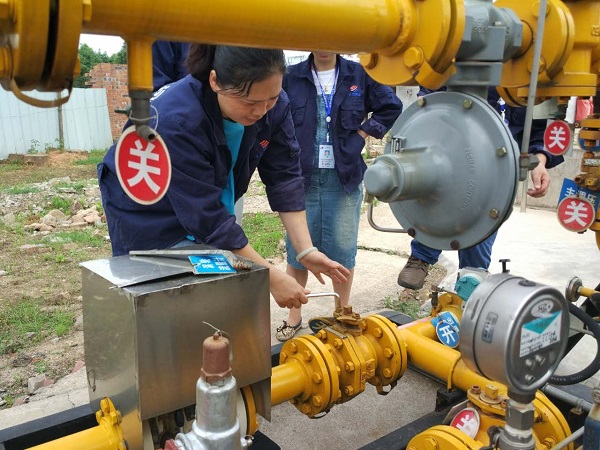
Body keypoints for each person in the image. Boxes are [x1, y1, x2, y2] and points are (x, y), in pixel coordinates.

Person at [98, 44, 350, 309]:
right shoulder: (176, 122)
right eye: (250, 102)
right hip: (150, 211)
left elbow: (284, 177)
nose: (261, 111)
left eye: (272, 98)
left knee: (221, 290)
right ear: (215, 81)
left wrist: (306, 250)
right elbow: (208, 219)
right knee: (166, 299)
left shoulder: (273, 104)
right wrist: (271, 277)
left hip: (204, 199)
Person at [275, 52, 403, 341]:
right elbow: (273, 114)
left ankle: (342, 313)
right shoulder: (291, 77)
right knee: (298, 252)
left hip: (344, 177)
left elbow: (391, 106)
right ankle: (294, 317)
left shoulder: (360, 74)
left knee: (343, 250)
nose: (323, 47)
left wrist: (363, 132)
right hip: (302, 178)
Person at [397, 87, 565, 290]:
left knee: (482, 221)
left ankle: (470, 280)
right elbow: (431, 95)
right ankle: (421, 256)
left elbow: (542, 129)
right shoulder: (465, 67)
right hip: (452, 152)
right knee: (433, 200)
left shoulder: (528, 81)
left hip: (497, 169)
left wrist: (540, 161)